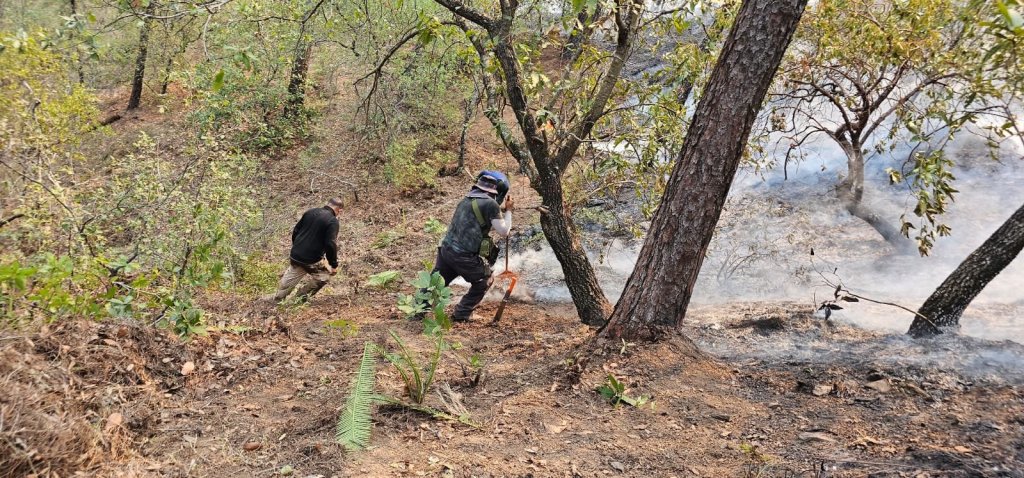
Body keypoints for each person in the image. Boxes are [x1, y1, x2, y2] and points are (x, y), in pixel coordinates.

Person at [429, 171, 513, 322]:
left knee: (436, 282)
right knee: (485, 279)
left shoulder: (466, 199)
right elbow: (504, 231)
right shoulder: (490, 204)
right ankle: (462, 313)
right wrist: (509, 211)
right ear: (495, 191)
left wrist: (503, 211)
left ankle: (418, 309)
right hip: (463, 256)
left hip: (446, 250)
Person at [271, 197, 342, 303]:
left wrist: (297, 246)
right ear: (339, 210)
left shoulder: (310, 212)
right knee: (324, 276)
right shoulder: (332, 221)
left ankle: (278, 299)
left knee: (294, 272)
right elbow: (330, 244)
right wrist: (333, 264)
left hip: (296, 254)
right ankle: (298, 299)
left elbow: (296, 230)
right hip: (312, 259)